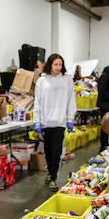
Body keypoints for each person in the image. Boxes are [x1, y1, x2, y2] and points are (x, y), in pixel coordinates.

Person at [34, 53, 76, 192]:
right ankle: (50, 172)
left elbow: (71, 100)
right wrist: (37, 121)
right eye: (55, 64)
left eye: (60, 65)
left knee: (56, 151)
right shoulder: (42, 81)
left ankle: (53, 178)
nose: (58, 67)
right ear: (50, 65)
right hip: (46, 121)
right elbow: (38, 102)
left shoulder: (67, 80)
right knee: (48, 150)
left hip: (60, 122)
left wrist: (70, 119)